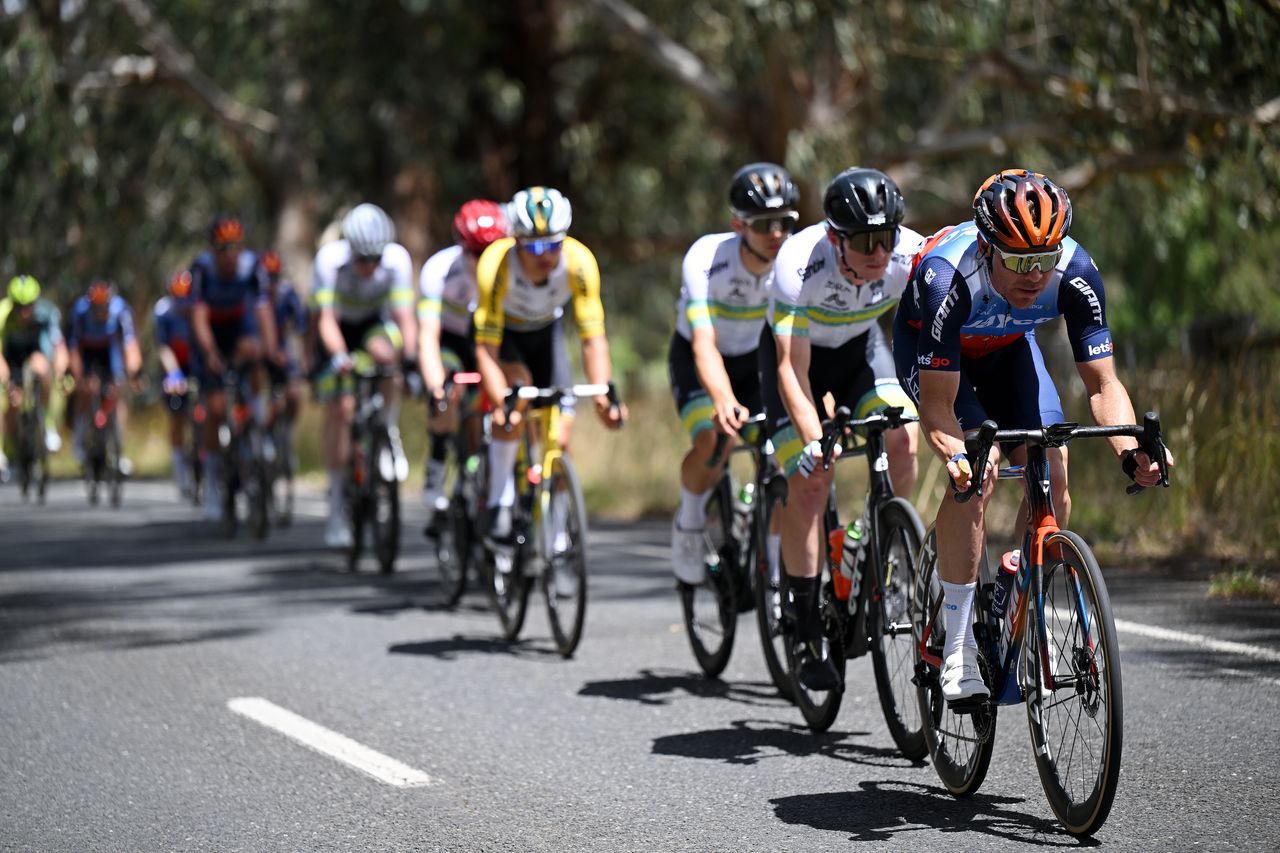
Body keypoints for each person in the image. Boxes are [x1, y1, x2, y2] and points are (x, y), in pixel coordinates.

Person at [893, 168, 1172, 703]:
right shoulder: (945, 277)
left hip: (1006, 350)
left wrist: (1131, 450)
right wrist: (959, 457)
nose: (1034, 275)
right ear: (987, 246)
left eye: (1044, 259)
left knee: (1054, 461)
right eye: (1020, 261)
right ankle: (956, 646)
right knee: (979, 472)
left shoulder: (1076, 270)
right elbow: (936, 409)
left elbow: (1103, 383)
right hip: (935, 360)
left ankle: (1018, 588)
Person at [763, 167, 923, 690]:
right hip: (796, 361)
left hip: (860, 352)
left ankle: (887, 554)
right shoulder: (798, 262)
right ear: (836, 238)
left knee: (903, 436)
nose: (879, 253)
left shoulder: (909, 254)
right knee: (812, 480)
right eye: (864, 241)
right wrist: (812, 440)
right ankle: (806, 626)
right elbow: (791, 368)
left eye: (887, 237)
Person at [473, 186, 626, 548]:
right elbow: (485, 349)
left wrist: (604, 392)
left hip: (547, 333)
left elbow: (592, 338)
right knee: (517, 394)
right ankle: (499, 500)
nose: (546, 255)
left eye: (554, 244)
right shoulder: (496, 264)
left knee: (560, 436)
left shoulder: (579, 262)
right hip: (505, 337)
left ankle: (556, 527)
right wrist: (502, 402)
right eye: (535, 247)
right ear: (516, 242)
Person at [668, 162, 798, 587]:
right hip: (699, 359)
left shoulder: (795, 261)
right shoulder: (707, 258)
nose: (777, 233)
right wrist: (723, 399)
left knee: (789, 460)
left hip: (755, 362)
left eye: (784, 222)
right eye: (765, 224)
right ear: (738, 225)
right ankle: (689, 524)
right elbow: (703, 343)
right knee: (715, 440)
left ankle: (775, 569)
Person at [312, 203, 418, 548]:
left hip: (372, 324)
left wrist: (412, 360)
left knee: (389, 360)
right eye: (362, 260)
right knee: (342, 409)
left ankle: (388, 430)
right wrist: (340, 356)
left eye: (375, 260)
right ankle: (337, 507)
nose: (369, 268)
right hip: (336, 330)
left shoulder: (397, 260)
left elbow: (404, 318)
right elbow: (326, 319)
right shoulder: (329, 260)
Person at [417, 199, 508, 520]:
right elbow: (427, 337)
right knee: (449, 390)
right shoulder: (439, 271)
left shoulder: (511, 268)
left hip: (490, 340)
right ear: (461, 247)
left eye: (491, 251)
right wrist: (436, 386)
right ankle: (437, 465)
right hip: (452, 342)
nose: (484, 260)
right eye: (476, 253)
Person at [190, 216, 280, 521]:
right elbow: (199, 316)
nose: (230, 255)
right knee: (215, 409)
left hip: (240, 327)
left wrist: (271, 351)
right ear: (213, 249)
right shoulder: (202, 268)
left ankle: (256, 421)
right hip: (211, 332)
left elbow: (264, 310)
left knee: (254, 354)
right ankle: (214, 482)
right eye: (223, 248)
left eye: (235, 248)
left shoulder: (252, 266)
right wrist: (211, 353)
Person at [68, 280, 143, 474]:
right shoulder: (80, 311)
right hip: (88, 351)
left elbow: (130, 345)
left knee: (117, 393)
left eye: (104, 307)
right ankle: (80, 440)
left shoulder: (121, 310)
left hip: (110, 350)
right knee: (87, 389)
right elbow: (74, 348)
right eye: (97, 308)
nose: (101, 312)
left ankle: (118, 450)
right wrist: (79, 377)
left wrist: (134, 372)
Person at [0, 275, 69, 478]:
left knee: (42, 368)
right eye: (19, 306)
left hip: (34, 353)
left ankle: (46, 423)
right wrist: (7, 382)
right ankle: (11, 449)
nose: (24, 312)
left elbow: (59, 347)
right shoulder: (2, 315)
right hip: (9, 357)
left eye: (29, 306)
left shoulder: (47, 314)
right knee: (12, 403)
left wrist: (61, 373)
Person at [154, 269, 198, 497]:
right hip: (175, 366)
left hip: (197, 363)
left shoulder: (199, 309)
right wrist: (173, 374)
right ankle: (180, 469)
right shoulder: (163, 312)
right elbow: (163, 347)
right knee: (177, 415)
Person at [261, 250, 308, 438]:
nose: (270, 284)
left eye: (274, 278)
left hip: (282, 352)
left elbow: (301, 327)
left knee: (294, 394)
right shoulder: (252, 296)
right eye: (266, 279)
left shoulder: (287, 293)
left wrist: (303, 360)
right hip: (259, 353)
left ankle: (286, 434)